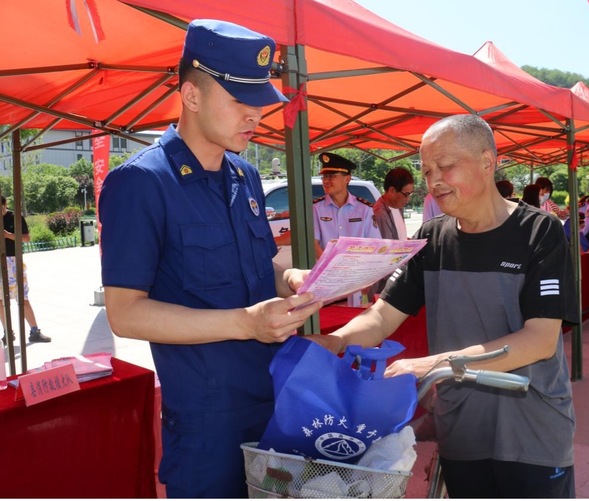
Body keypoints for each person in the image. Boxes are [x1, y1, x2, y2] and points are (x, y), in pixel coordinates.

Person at [98, 20, 321, 498]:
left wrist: (296, 278)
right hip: (207, 421)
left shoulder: (244, 174)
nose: (255, 113)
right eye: (240, 99)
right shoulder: (141, 184)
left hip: (276, 398)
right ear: (191, 96)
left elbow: (262, 266)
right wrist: (246, 323)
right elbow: (125, 312)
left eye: (259, 100)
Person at [312, 114, 577, 498]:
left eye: (446, 167)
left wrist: (428, 365)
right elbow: (384, 314)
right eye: (427, 170)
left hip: (531, 432)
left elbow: (538, 341)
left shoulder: (540, 231)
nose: (433, 181)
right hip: (461, 430)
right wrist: (334, 341)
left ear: (488, 162)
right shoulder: (431, 238)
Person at [0, 196, 50, 345]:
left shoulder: (15, 217)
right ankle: (7, 332)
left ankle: (34, 331)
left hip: (14, 261)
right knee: (0, 300)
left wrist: (8, 235)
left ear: (5, 205)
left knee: (22, 297)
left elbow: (27, 238)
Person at [312, 152, 381, 257]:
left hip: (357, 269)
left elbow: (374, 244)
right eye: (324, 177)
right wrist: (328, 267)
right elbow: (313, 244)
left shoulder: (365, 210)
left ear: (347, 179)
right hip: (327, 270)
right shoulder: (315, 208)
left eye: (331, 176)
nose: (326, 181)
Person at [372, 167, 415, 293]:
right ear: (391, 190)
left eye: (410, 194)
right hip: (386, 283)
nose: (408, 199)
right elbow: (388, 251)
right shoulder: (380, 213)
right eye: (406, 194)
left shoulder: (397, 207)